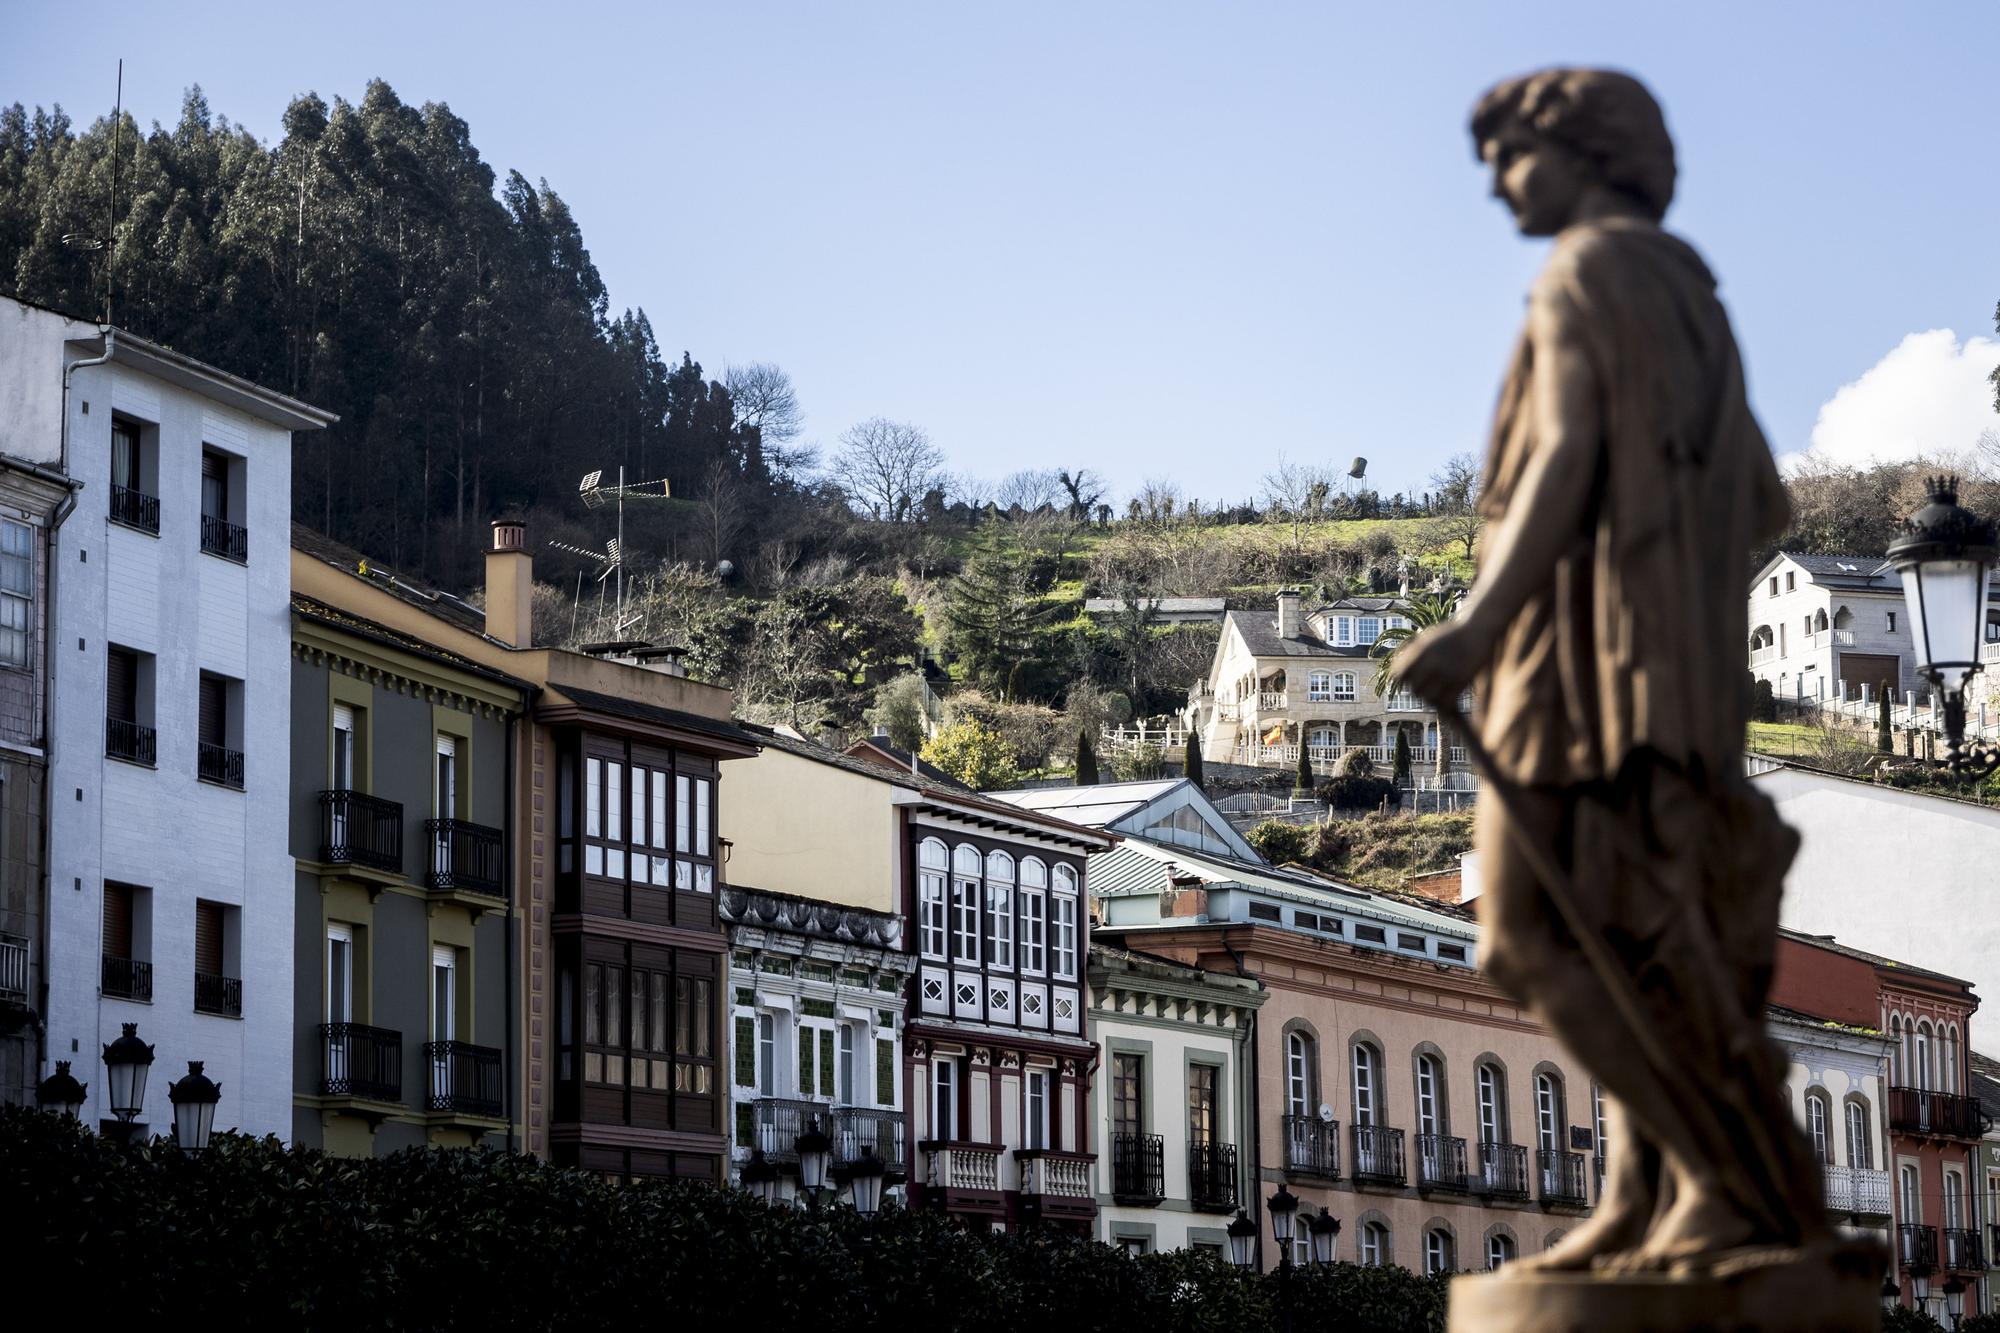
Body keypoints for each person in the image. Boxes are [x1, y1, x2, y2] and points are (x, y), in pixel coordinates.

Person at [1392, 68, 1825, 1271]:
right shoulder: (1689, 293)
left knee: (1526, 936)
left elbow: (1569, 451)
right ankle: (1646, 1207)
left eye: (1510, 155)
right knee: (1640, 945)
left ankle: (1711, 1177)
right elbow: (1760, 498)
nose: (1491, 183)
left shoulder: (1581, 272)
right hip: (1670, 684)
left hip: (1577, 679)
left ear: (1582, 151)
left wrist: (1479, 630)